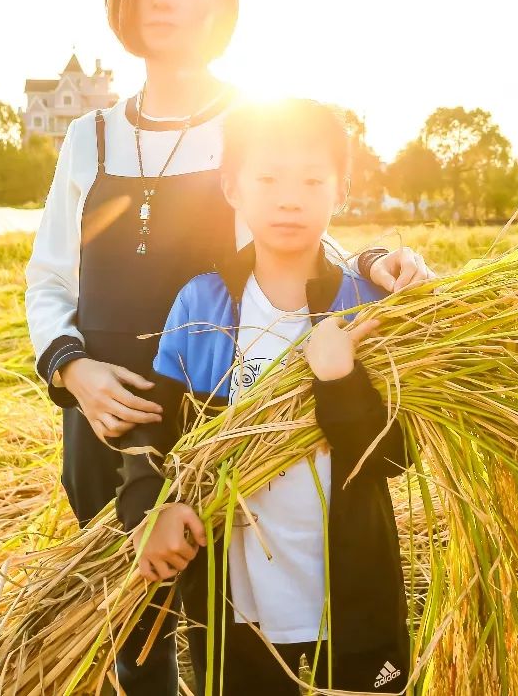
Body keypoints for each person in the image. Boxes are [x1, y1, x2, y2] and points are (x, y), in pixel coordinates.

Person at [23, 0, 432, 696]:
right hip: (111, 426)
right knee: (132, 643)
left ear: (222, 2)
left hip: (218, 420)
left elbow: (294, 237)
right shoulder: (90, 135)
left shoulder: (249, 124)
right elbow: (48, 281)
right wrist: (75, 373)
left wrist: (373, 261)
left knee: (225, 627)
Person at [117, 99, 411, 694]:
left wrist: (340, 381)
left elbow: (396, 455)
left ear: (342, 191)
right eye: (268, 178)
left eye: (311, 180)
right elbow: (152, 423)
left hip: (354, 595)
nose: (288, 198)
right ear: (233, 188)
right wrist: (149, 509)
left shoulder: (368, 305)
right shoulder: (202, 307)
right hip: (235, 601)